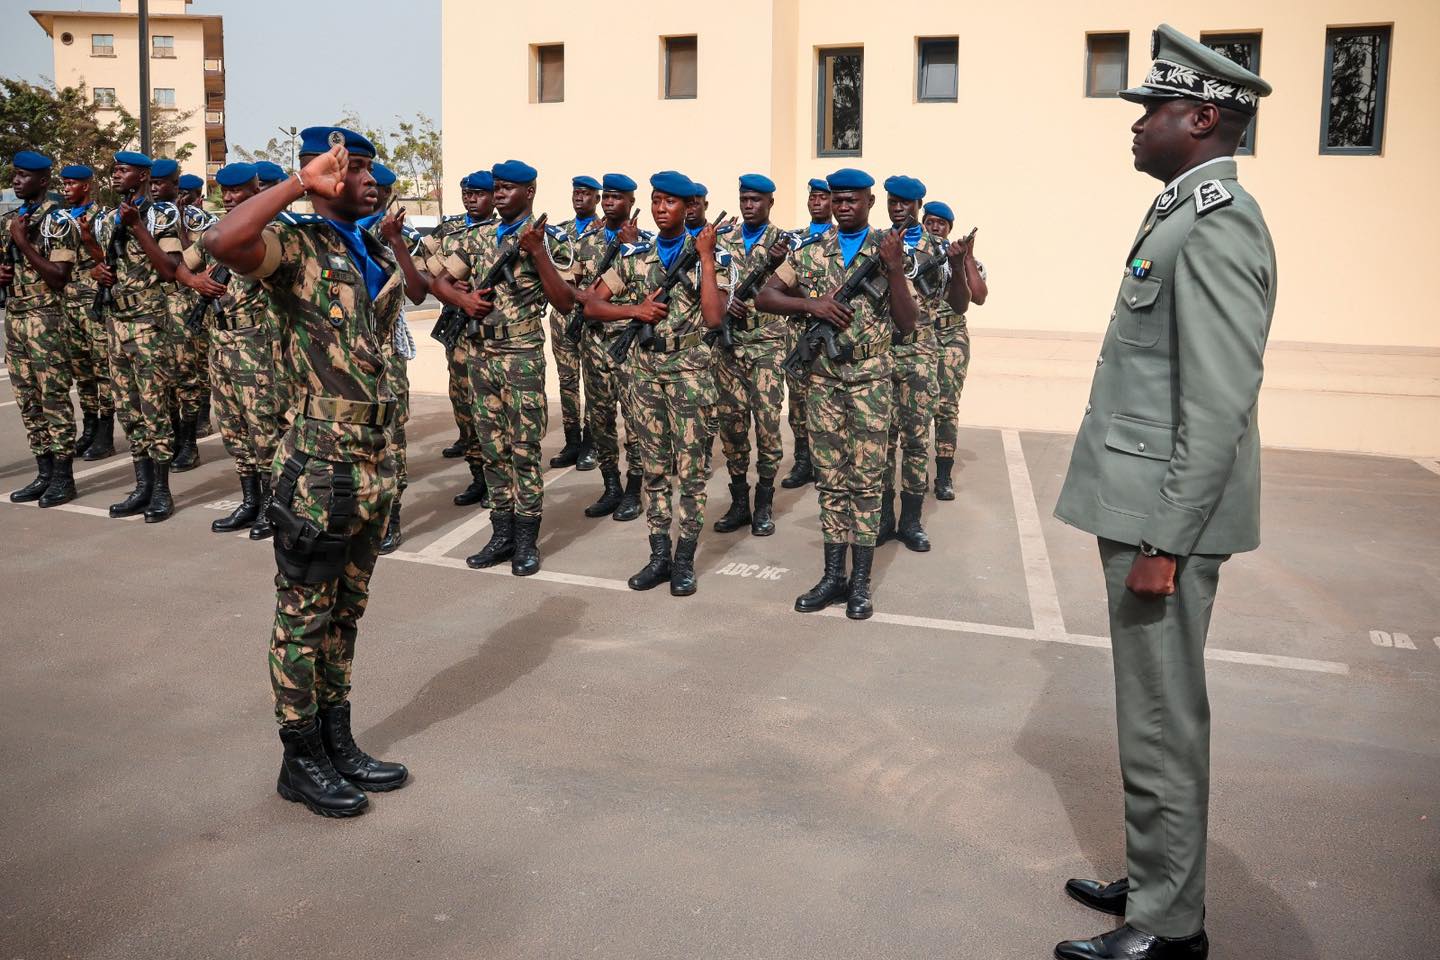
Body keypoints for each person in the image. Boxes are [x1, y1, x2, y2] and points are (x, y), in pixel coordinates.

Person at [1051, 25, 1275, 960]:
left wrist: (1166, 542)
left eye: (1152, 109)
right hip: (1144, 505)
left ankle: (1170, 927)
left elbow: (1218, 404)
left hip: (1163, 520)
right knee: (1146, 712)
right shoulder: (1180, 212)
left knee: (1161, 719)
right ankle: (1156, 878)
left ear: (1203, 118)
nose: (1137, 123)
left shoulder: (1219, 222)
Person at [203, 126, 411, 818]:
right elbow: (222, 242)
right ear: (324, 175)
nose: (370, 180)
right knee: (304, 614)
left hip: (376, 455)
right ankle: (299, 759)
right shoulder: (297, 245)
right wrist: (297, 185)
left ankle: (336, 739)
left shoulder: (368, 246)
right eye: (355, 170)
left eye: (373, 169)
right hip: (323, 462)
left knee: (346, 611)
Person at [755, 168, 918, 619]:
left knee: (866, 482)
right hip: (823, 382)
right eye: (837, 199)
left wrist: (895, 268)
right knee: (830, 479)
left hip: (870, 381)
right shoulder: (810, 250)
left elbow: (908, 322)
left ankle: (860, 583)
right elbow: (766, 297)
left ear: (870, 202)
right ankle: (832, 577)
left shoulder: (889, 248)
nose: (844, 206)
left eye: (853, 199)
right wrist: (812, 304)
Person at [430, 160, 577, 577]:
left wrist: (537, 252)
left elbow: (565, 301)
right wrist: (462, 301)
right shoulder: (477, 236)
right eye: (496, 187)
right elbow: (437, 281)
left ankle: (526, 540)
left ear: (529, 192)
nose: (498, 194)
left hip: (520, 355)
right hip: (480, 354)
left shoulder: (549, 240)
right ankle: (501, 535)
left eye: (507, 188)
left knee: (524, 450)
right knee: (492, 449)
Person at [583, 171, 726, 596]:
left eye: (671, 202)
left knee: (692, 472)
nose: (662, 209)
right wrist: (635, 311)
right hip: (645, 373)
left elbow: (714, 317)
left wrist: (705, 258)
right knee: (655, 469)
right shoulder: (634, 256)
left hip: (690, 373)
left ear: (688, 207)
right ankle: (659, 555)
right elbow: (591, 305)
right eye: (657, 201)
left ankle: (684, 560)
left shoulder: (711, 255)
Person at [78, 151, 185, 522]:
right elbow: (107, 261)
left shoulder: (161, 215)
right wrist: (98, 270)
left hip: (148, 323)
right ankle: (142, 487)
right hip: (116, 322)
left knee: (155, 408)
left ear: (142, 175)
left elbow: (171, 269)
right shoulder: (110, 218)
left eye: (123, 170)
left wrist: (138, 227)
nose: (116, 175)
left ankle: (162, 491)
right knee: (128, 409)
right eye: (114, 170)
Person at [877, 175, 970, 552]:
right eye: (892, 201)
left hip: (919, 354)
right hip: (882, 352)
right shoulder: (877, 243)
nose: (898, 208)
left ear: (918, 206)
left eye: (905, 202)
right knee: (882, 439)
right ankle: (884, 517)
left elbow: (960, 304)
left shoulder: (938, 248)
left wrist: (958, 266)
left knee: (915, 439)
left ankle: (911, 520)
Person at [711, 173, 793, 538]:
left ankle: (763, 503)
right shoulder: (723, 239)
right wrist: (726, 302)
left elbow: (794, 289)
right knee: (731, 425)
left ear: (770, 202)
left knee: (767, 425)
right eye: (744, 199)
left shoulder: (784, 243)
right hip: (729, 347)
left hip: (767, 345)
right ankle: (739, 501)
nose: (748, 205)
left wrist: (778, 265)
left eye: (756, 199)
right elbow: (709, 281)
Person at [2, 150, 81, 507]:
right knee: (28, 400)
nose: (16, 181)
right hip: (16, 317)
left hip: (45, 318)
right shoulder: (13, 219)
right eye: (15, 175)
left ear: (43, 180)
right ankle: (44, 472)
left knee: (53, 398)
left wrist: (22, 241)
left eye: (23, 175)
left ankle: (63, 478)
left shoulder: (59, 221)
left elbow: (59, 277)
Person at [568, 172, 647, 520]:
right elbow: (570, 285)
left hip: (629, 344)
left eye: (618, 197)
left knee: (635, 421)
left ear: (631, 202)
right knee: (600, 419)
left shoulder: (645, 245)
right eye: (608, 197)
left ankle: (633, 489)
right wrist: (583, 297)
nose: (611, 203)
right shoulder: (586, 242)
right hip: (594, 341)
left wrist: (631, 246)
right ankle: (611, 485)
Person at [360, 162, 426, 554]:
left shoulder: (403, 234)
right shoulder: (342, 230)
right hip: (351, 347)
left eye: (375, 189)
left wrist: (393, 240)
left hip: (385, 349)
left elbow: (416, 290)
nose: (368, 194)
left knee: (391, 437)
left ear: (387, 194)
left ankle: (392, 515)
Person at [429, 171, 495, 488]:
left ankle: (493, 471)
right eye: (467, 194)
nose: (471, 199)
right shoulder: (448, 230)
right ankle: (476, 469)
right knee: (461, 398)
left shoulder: (502, 233)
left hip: (488, 329)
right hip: (456, 326)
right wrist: (449, 284)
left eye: (478, 194)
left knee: (489, 406)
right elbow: (423, 270)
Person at [921, 200, 987, 502]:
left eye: (941, 223)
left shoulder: (959, 259)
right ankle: (916, 471)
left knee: (946, 407)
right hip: (921, 336)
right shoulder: (914, 257)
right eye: (930, 222)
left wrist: (966, 258)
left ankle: (944, 475)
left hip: (951, 337)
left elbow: (979, 296)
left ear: (949, 228)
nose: (935, 227)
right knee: (917, 407)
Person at [56, 163, 117, 461]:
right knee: (81, 373)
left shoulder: (102, 219)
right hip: (68, 305)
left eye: (71, 184)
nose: (66, 189)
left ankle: (105, 434)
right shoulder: (61, 220)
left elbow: (112, 259)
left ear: (86, 186)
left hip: (94, 306)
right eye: (64, 184)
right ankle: (90, 428)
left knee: (102, 370)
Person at [150, 157, 205, 473]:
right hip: (153, 305)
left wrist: (182, 223)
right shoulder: (146, 215)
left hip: (181, 301)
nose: (155, 188)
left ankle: (189, 444)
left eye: (161, 183)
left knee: (185, 375)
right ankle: (171, 438)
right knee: (163, 377)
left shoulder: (193, 218)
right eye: (151, 183)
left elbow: (193, 260)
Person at [780, 177, 834, 490]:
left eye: (823, 197)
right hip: (798, 331)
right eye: (813, 197)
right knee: (798, 399)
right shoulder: (795, 241)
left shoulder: (840, 240)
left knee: (828, 398)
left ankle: (827, 460)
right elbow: (780, 285)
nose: (816, 202)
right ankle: (804, 461)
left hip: (828, 333)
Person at [547, 174, 602, 471]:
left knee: (593, 381)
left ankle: (591, 444)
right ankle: (572, 441)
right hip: (563, 315)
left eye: (586, 194)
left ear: (597, 199)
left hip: (592, 317)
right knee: (567, 380)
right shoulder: (559, 232)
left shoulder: (606, 232)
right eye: (576, 193)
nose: (579, 198)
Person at [178, 171, 214, 438]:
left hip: (199, 299)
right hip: (175, 300)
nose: (182, 200)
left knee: (200, 362)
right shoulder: (165, 217)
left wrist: (180, 225)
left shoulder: (203, 221)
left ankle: (203, 416)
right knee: (182, 363)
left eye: (186, 196)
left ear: (198, 197)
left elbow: (191, 258)